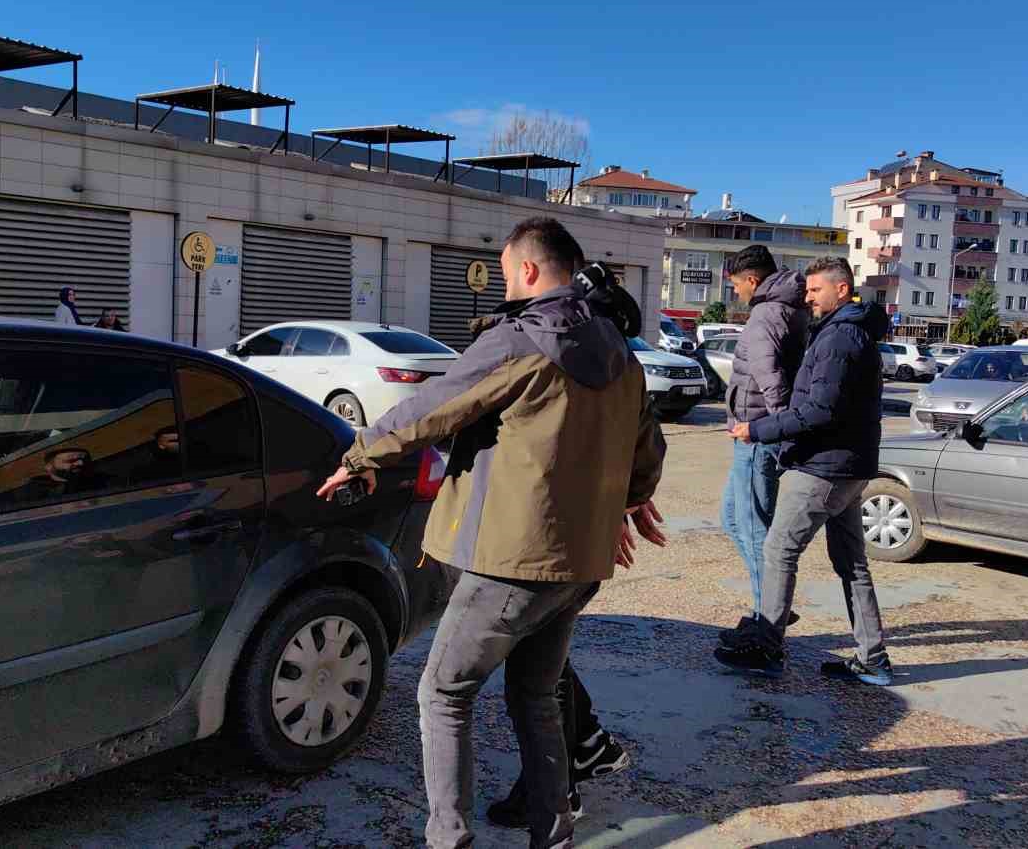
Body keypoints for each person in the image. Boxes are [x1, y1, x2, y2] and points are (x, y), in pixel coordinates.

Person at [316, 217, 666, 849]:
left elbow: (434, 406)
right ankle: (552, 832)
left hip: (513, 561)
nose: (506, 284)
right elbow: (647, 447)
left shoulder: (521, 339)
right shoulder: (619, 350)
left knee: (443, 692)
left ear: (528, 270)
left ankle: (448, 838)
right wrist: (632, 501)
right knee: (535, 694)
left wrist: (360, 453)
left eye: (507, 273)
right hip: (579, 562)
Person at [720, 256, 893, 685]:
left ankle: (767, 647)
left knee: (779, 550)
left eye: (815, 290)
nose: (808, 297)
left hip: (824, 466)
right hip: (849, 466)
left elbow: (819, 410)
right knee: (851, 564)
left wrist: (758, 428)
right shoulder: (850, 332)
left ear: (841, 289)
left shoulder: (840, 338)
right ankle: (873, 657)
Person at [718, 245, 808, 649]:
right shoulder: (784, 308)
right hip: (753, 433)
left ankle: (766, 621)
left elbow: (771, 379)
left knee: (754, 529)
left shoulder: (766, 313)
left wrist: (776, 430)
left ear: (752, 280)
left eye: (736, 284)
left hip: (757, 436)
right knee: (734, 519)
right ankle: (770, 605)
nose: (736, 292)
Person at [4, 447, 108, 503]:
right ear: (49, 466)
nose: (81, 463)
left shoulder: (102, 483)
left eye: (84, 459)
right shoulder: (29, 492)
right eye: (71, 460)